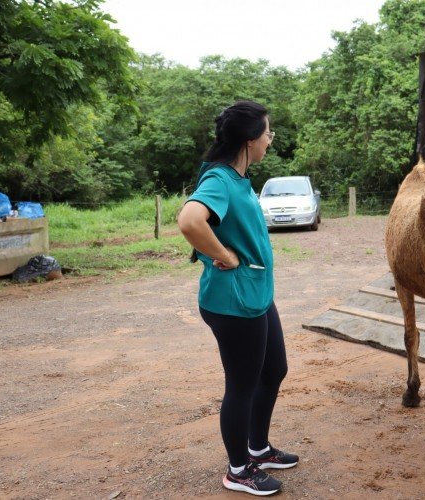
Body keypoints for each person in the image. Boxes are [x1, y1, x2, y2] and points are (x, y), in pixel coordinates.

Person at [178, 100, 298, 496]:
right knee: (242, 385)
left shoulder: (238, 179)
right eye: (268, 132)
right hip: (233, 303)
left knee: (274, 369)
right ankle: (238, 470)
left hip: (255, 295)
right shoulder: (219, 180)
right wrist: (222, 255)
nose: (271, 138)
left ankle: (258, 448)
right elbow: (190, 220)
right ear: (250, 140)